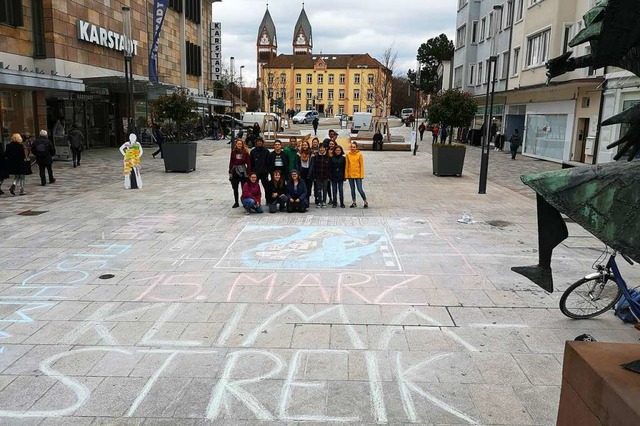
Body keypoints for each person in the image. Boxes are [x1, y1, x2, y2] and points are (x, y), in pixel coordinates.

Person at [228, 138, 251, 208]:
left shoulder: (245, 152)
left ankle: (244, 201)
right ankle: (236, 202)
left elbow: (248, 163)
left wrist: (248, 172)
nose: (239, 145)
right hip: (235, 171)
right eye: (238, 144)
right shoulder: (233, 152)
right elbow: (231, 162)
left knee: (244, 187)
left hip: (243, 171)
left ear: (242, 144)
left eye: (240, 144)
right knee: (235, 188)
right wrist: (230, 171)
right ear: (236, 144)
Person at [345, 142, 368, 208]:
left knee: (359, 189)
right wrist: (346, 175)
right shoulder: (348, 155)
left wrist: (362, 175)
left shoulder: (359, 155)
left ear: (356, 147)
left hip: (358, 175)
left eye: (354, 147)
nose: (353, 148)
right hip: (350, 174)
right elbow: (347, 165)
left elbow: (362, 166)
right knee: (352, 189)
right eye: (351, 147)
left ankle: (365, 201)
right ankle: (354, 202)